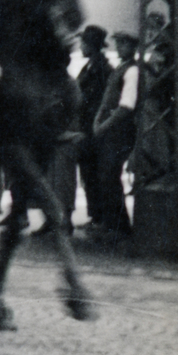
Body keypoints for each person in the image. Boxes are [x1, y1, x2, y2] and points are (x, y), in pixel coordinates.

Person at [90, 31, 141, 236]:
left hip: (120, 130)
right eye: (118, 43)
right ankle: (112, 223)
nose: (120, 47)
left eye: (124, 43)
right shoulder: (119, 69)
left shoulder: (132, 71)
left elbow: (126, 106)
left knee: (110, 175)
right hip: (109, 129)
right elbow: (106, 101)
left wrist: (104, 125)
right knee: (106, 176)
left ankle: (119, 225)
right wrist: (98, 120)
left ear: (134, 47)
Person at [73, 24, 113, 230]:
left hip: (94, 128)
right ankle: (95, 215)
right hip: (86, 126)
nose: (81, 46)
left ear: (92, 45)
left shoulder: (102, 70)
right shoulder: (90, 67)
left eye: (84, 43)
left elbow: (98, 100)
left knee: (94, 173)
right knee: (88, 173)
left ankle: (100, 217)